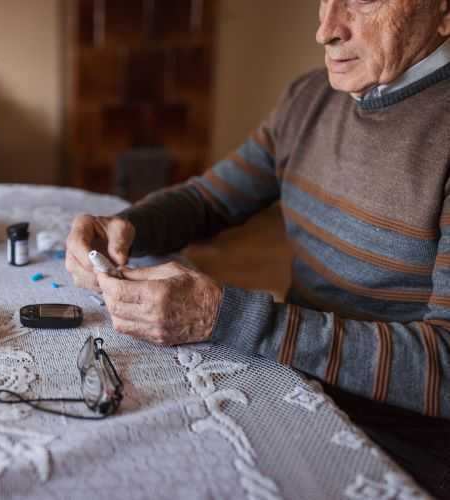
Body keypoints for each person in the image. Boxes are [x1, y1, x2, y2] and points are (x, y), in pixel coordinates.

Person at [66, 0, 450, 494]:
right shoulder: (310, 98)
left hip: (400, 447)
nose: (326, 30)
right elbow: (209, 199)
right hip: (302, 391)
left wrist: (226, 316)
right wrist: (125, 226)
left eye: (363, 1)